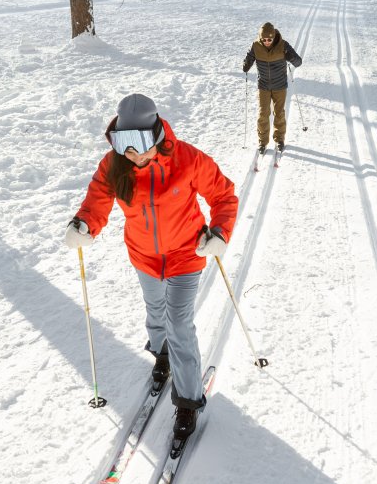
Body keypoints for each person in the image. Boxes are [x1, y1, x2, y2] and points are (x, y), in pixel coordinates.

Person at [64, 94, 237, 439]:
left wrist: (219, 232)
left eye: (138, 143)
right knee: (156, 311)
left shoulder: (186, 159)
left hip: (186, 255)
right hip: (143, 255)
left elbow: (223, 195)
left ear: (156, 134)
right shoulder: (114, 166)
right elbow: (97, 200)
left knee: (178, 323)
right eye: (122, 143)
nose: (131, 153)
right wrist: (84, 224)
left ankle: (188, 401)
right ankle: (161, 354)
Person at [242, 22, 302, 154]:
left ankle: (279, 139)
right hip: (263, 86)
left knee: (279, 113)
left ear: (274, 37)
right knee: (263, 114)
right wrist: (246, 64)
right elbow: (248, 59)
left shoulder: (283, 45)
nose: (267, 42)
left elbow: (298, 62)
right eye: (264, 39)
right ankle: (262, 142)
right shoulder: (256, 46)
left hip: (279, 86)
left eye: (270, 39)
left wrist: (290, 56)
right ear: (260, 38)